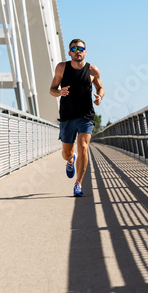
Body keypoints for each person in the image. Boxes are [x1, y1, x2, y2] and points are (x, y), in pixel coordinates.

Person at [50, 39, 104, 197]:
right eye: (74, 48)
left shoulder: (93, 70)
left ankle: (78, 184)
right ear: (70, 53)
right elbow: (52, 89)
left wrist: (99, 97)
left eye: (81, 48)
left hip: (86, 116)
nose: (78, 51)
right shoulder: (62, 67)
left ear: (85, 52)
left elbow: (100, 87)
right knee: (67, 152)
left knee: (83, 147)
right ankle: (70, 161)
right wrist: (59, 92)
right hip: (67, 116)